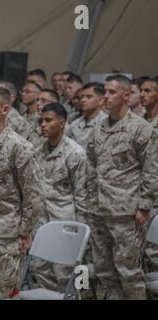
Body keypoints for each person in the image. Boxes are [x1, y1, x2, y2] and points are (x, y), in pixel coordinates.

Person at [87, 75, 158, 299]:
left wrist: (144, 206)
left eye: (112, 92)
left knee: (128, 272)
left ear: (126, 96)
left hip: (127, 213)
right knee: (105, 272)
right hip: (99, 210)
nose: (105, 96)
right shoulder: (98, 129)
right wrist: (90, 202)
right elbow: (91, 166)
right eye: (105, 92)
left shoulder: (141, 129)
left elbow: (152, 169)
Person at [0, 87, 44, 299]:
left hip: (7, 234)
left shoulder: (19, 147)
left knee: (2, 294)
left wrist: (25, 231)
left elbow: (33, 195)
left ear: (5, 109)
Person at [33, 103, 90, 292]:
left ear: (62, 123)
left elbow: (82, 194)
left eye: (48, 120)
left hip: (65, 221)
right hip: (41, 221)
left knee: (65, 273)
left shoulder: (75, 153)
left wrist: (83, 233)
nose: (43, 124)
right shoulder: (37, 151)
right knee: (40, 269)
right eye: (41, 120)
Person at [139, 77, 158, 280]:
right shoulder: (140, 122)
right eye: (141, 91)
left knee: (155, 252)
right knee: (141, 252)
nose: (142, 95)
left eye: (148, 91)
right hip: (141, 194)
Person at [67, 82, 107, 149]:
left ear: (101, 100)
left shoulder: (106, 123)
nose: (83, 100)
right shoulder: (75, 124)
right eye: (82, 97)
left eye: (89, 97)